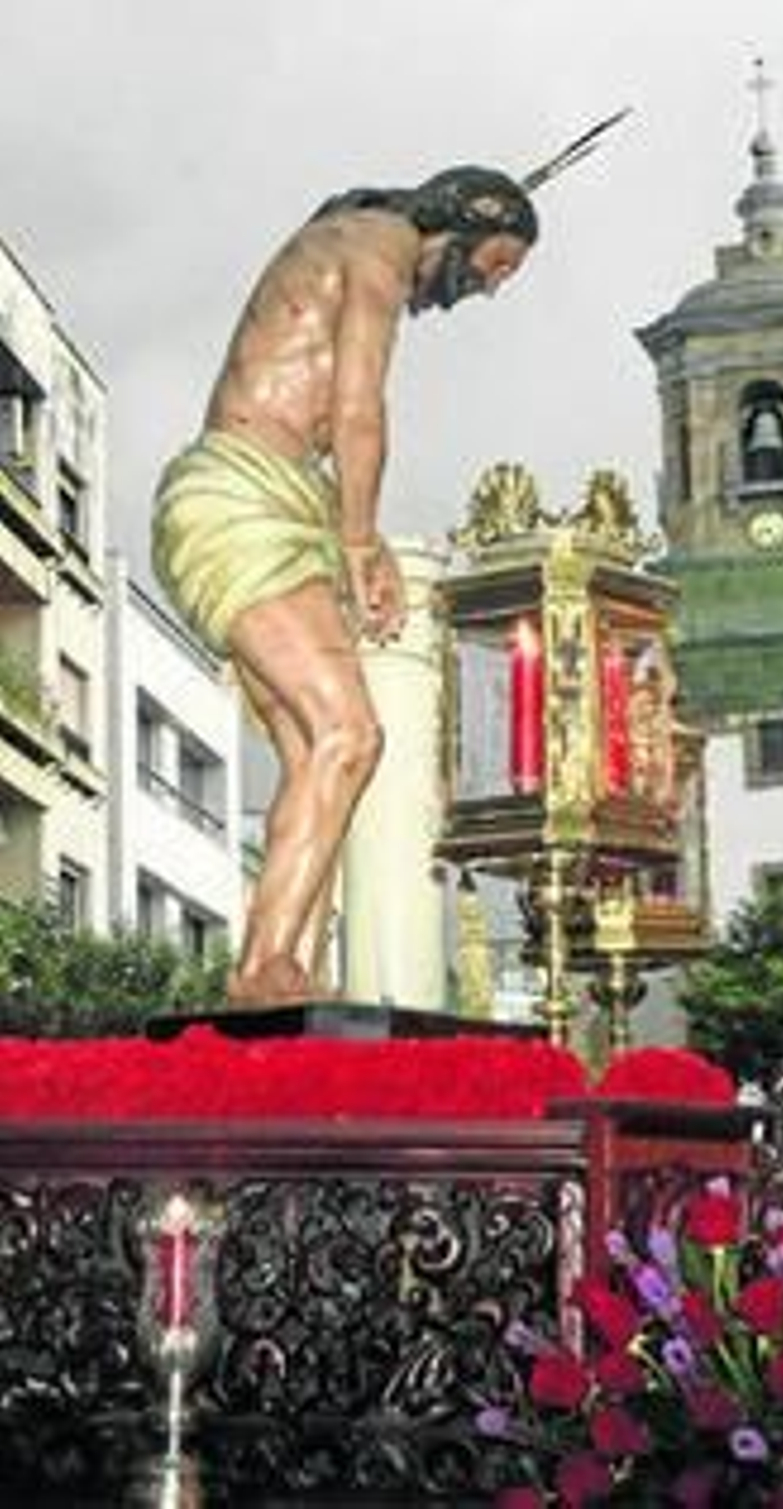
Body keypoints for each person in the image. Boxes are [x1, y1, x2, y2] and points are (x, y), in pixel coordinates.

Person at [152, 166, 537, 1006]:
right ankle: (264, 969)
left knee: (314, 752)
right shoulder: (379, 246)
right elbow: (361, 408)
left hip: (269, 500)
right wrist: (361, 541)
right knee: (350, 734)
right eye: (495, 265)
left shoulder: (344, 241)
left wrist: (344, 536)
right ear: (465, 225)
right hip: (244, 497)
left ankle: (290, 968)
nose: (486, 289)